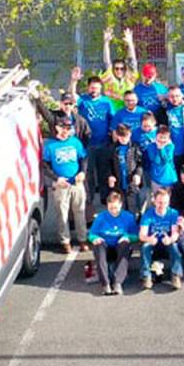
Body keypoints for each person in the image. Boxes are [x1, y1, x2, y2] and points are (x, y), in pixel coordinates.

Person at [42, 119, 88, 253]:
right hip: (61, 184)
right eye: (63, 128)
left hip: (76, 182)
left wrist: (82, 172)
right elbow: (45, 165)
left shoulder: (75, 142)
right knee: (62, 214)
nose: (65, 131)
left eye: (68, 129)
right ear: (57, 127)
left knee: (80, 212)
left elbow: (83, 158)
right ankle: (65, 241)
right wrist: (56, 178)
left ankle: (82, 239)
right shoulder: (50, 145)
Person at [72, 70, 115, 207]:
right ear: (88, 88)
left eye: (96, 88)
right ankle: (89, 201)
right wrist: (74, 81)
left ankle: (105, 199)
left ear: (100, 88)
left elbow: (112, 120)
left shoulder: (107, 102)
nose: (94, 90)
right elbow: (72, 96)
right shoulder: (83, 101)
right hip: (87, 144)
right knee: (88, 174)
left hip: (104, 143)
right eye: (91, 88)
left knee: (104, 172)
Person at [88, 192, 138, 295]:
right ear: (107, 206)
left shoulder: (128, 217)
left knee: (125, 245)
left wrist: (127, 237)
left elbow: (136, 235)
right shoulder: (101, 217)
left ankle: (118, 282)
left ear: (120, 204)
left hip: (120, 247)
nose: (113, 211)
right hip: (105, 246)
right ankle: (105, 284)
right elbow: (91, 234)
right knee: (98, 247)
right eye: (110, 208)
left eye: (115, 207)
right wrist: (95, 238)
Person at [138, 188, 182, 290]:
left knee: (174, 246)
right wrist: (148, 239)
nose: (162, 205)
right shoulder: (148, 214)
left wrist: (170, 239)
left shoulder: (173, 213)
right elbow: (141, 235)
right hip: (153, 243)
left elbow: (175, 233)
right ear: (154, 201)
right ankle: (146, 276)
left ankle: (176, 275)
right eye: (160, 202)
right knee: (145, 247)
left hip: (166, 242)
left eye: (165, 202)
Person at [106, 123, 143, 216]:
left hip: (131, 183)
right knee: (120, 209)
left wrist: (138, 174)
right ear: (117, 136)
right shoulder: (112, 148)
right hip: (118, 184)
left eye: (126, 137)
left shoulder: (134, 147)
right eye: (121, 137)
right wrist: (110, 176)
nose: (124, 139)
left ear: (130, 135)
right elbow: (108, 165)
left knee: (133, 208)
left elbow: (140, 163)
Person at [100, 28, 138, 109]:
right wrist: (106, 43)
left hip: (127, 112)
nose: (119, 71)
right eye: (116, 68)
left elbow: (132, 62)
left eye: (122, 68)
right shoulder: (109, 78)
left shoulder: (129, 79)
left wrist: (130, 44)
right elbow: (106, 62)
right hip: (112, 113)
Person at [145, 125, 178, 191]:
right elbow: (156, 160)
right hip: (156, 178)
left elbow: (166, 160)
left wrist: (161, 148)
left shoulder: (170, 146)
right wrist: (158, 148)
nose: (162, 139)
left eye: (165, 137)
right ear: (156, 136)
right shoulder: (151, 146)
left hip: (169, 178)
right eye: (160, 137)